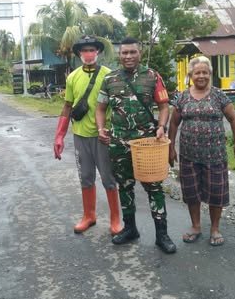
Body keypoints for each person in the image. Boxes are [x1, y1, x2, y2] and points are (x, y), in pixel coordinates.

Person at [95, 37, 177, 254]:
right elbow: (100, 108)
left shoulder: (152, 76)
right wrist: (101, 128)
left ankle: (162, 235)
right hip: (119, 143)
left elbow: (164, 105)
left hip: (148, 143)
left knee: (154, 187)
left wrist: (161, 127)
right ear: (119, 55)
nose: (128, 56)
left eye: (133, 52)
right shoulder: (109, 79)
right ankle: (130, 228)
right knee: (125, 186)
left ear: (139, 53)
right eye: (125, 53)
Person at [168, 56, 235, 246]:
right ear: (191, 75)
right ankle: (196, 226)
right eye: (197, 73)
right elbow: (174, 123)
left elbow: (234, 119)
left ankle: (215, 228)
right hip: (189, 155)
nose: (201, 76)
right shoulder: (182, 97)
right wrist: (170, 148)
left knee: (216, 193)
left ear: (210, 74)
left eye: (205, 72)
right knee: (191, 192)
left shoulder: (219, 95)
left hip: (215, 155)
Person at [53, 36, 122, 235]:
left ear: (97, 52)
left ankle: (115, 218)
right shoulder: (72, 77)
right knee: (85, 177)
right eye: (85, 50)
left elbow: (118, 104)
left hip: (103, 136)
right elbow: (67, 106)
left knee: (108, 178)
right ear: (79, 54)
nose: (89, 54)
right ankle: (89, 215)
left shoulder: (109, 75)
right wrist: (59, 136)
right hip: (80, 135)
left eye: (92, 50)